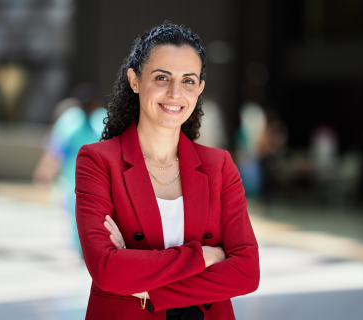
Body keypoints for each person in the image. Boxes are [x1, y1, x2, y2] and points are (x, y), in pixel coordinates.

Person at [75, 22, 260, 320]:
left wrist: (148, 287)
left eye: (188, 81)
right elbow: (107, 271)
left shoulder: (219, 166)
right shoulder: (98, 161)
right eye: (162, 77)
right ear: (135, 80)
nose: (175, 93)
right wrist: (202, 256)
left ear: (199, 89)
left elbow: (246, 272)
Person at [33, 83, 107, 256]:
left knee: (96, 215)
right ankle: (81, 248)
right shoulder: (70, 120)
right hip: (71, 180)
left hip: (98, 180)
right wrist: (46, 170)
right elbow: (56, 149)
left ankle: (90, 247)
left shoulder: (102, 119)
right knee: (75, 215)